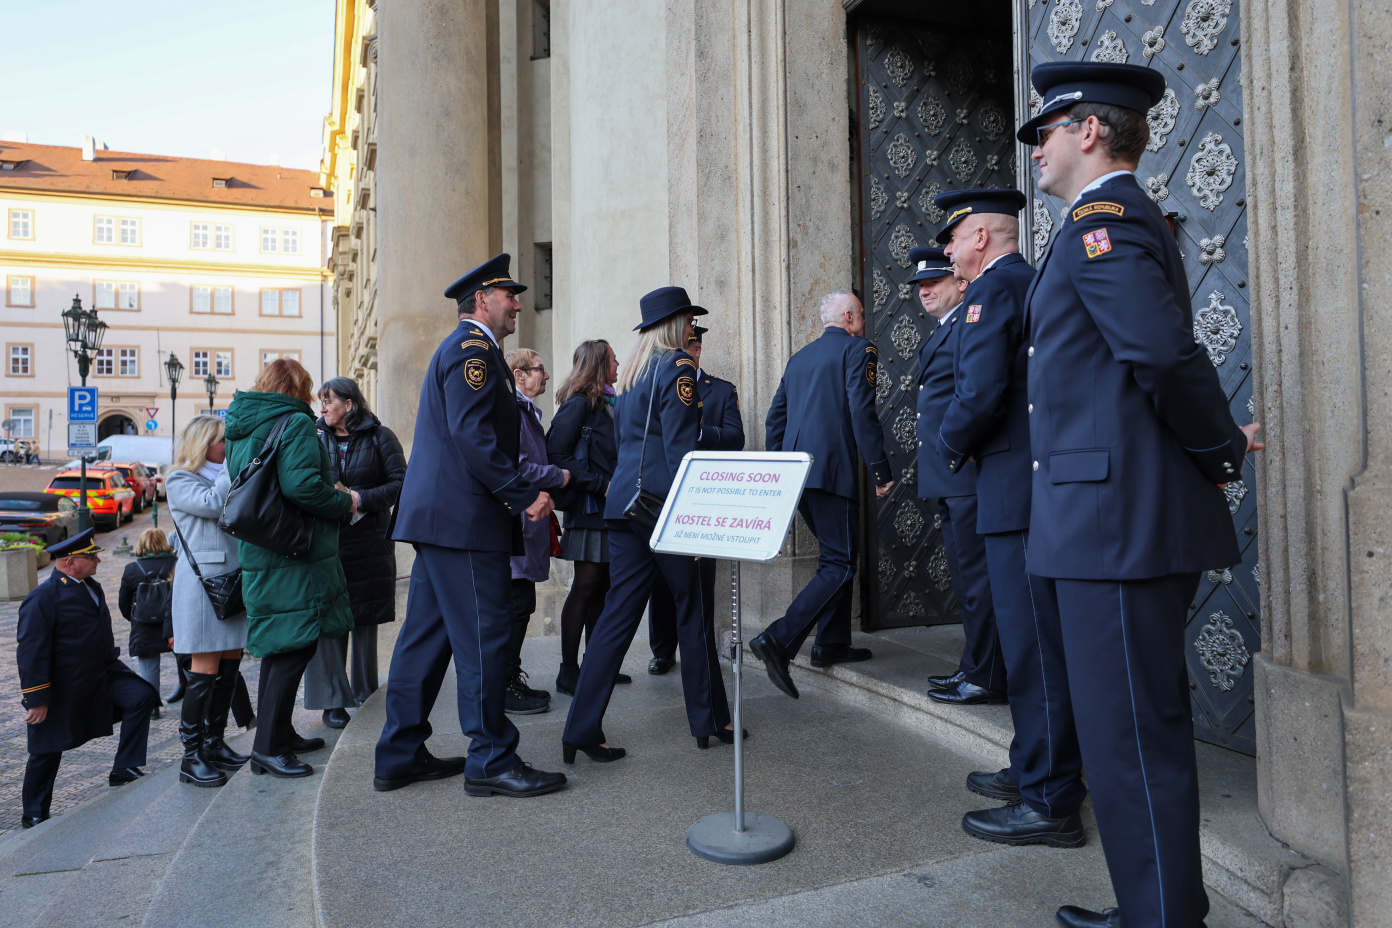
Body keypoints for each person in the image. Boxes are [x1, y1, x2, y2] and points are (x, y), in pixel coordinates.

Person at [1018, 62, 1264, 928]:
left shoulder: (1104, 221)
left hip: (1111, 528)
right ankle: (1155, 908)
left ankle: (1160, 919)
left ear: (1090, 131)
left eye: (1046, 132)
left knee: (1131, 740)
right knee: (1126, 734)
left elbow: (1159, 354)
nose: (1036, 149)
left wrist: (1221, 446)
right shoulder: (1106, 222)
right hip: (1097, 521)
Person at [375, 253, 566, 799]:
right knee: (484, 637)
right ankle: (491, 758)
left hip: (443, 520)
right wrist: (524, 494)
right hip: (463, 521)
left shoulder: (470, 350)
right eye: (510, 295)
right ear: (482, 300)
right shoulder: (474, 349)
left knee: (425, 641)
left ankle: (399, 752)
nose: (518, 304)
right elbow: (473, 436)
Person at [931, 187, 1087, 849]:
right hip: (1019, 489)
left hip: (1012, 494)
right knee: (1030, 647)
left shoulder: (996, 290)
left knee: (1032, 650)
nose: (946, 249)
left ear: (982, 239)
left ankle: (1049, 799)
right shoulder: (1014, 283)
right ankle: (1035, 769)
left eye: (954, 237)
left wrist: (946, 447)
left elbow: (981, 388)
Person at [562, 286, 735, 761]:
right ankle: (708, 719)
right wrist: (694, 522)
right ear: (676, 323)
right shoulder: (678, 365)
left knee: (616, 619)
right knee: (694, 611)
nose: (690, 328)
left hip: (623, 508)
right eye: (688, 319)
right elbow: (682, 451)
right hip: (663, 509)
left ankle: (579, 727)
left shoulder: (634, 372)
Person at [750, 291, 894, 698]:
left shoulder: (800, 357)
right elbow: (862, 411)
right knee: (841, 562)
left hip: (799, 477)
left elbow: (775, 417)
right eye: (861, 315)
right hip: (833, 472)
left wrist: (781, 471)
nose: (864, 322)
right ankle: (778, 639)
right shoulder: (858, 349)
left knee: (836, 553)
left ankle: (830, 643)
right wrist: (880, 469)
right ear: (848, 316)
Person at [225, 359, 356, 779]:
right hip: (293, 550)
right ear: (299, 387)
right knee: (294, 646)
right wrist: (343, 502)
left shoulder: (243, 425)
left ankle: (277, 734)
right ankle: (267, 748)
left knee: (282, 646)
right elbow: (301, 487)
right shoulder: (295, 422)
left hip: (266, 547)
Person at [909, 246, 1008, 722]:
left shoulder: (969, 324)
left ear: (960, 284)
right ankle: (976, 665)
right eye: (919, 287)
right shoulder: (947, 329)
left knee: (978, 581)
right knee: (968, 578)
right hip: (948, 475)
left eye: (934, 283)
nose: (924, 292)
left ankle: (985, 674)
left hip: (965, 473)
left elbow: (979, 391)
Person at [17, 530, 160, 827]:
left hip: (100, 674)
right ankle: (33, 813)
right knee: (46, 749)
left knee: (142, 696)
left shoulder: (91, 586)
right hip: (63, 685)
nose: (97, 560)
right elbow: (31, 651)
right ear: (71, 562)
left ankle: (124, 767)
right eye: (91, 556)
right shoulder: (42, 598)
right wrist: (37, 698)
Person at [304, 377, 407, 730]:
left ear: (349, 404)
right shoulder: (313, 438)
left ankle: (366, 693)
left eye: (328, 401)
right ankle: (333, 700)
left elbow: (400, 483)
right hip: (328, 542)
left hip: (369, 541)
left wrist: (358, 499)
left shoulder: (381, 437)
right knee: (330, 621)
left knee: (364, 619)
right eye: (321, 401)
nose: (323, 407)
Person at [647, 324, 745, 676]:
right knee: (660, 580)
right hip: (664, 490)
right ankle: (661, 649)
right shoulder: (659, 378)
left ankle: (698, 654)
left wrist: (700, 433)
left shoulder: (719, 390)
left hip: (703, 492)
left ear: (697, 350)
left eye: (686, 346)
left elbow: (736, 437)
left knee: (700, 579)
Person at [166, 414, 251, 788]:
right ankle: (191, 755)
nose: (227, 446)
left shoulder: (224, 476)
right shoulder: (181, 478)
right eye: (222, 441)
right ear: (204, 444)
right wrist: (232, 466)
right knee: (203, 670)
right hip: (203, 586)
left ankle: (215, 743)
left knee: (230, 665)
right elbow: (215, 504)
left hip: (232, 580)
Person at [547, 339, 620, 696]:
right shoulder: (578, 405)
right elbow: (556, 454)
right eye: (613, 359)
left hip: (609, 509)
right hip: (591, 508)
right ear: (598, 365)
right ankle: (568, 670)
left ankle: (594, 665)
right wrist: (601, 485)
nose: (619, 364)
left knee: (602, 588)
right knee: (585, 587)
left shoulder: (608, 403)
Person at [503, 348, 569, 715]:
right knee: (515, 605)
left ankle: (510, 679)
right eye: (539, 370)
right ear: (518, 374)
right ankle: (506, 684)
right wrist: (560, 475)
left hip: (528, 526)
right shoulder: (514, 411)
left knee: (521, 604)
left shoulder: (527, 411)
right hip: (517, 525)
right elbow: (521, 467)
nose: (545, 376)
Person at [117, 527, 177, 718]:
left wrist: (135, 619)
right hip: (174, 622)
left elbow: (123, 603)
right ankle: (198, 703)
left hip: (144, 626)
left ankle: (152, 708)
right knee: (188, 663)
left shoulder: (132, 569)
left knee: (149, 667)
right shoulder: (175, 563)